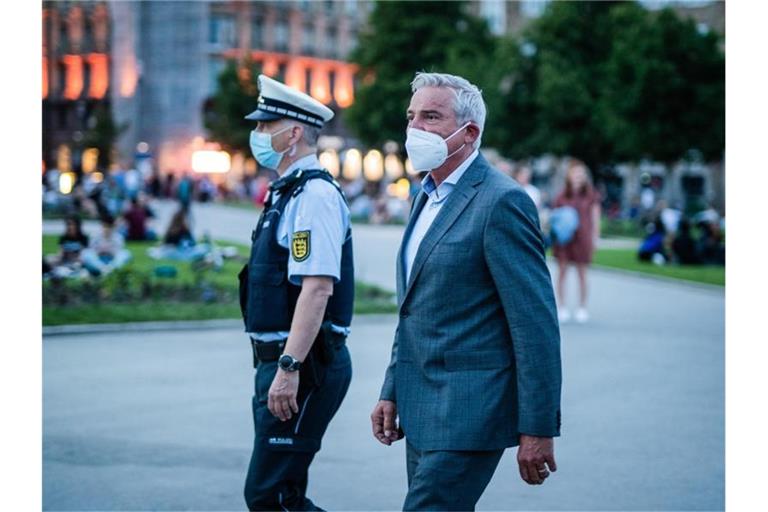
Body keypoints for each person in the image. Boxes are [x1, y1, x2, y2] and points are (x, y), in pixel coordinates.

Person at [371, 72, 561, 511]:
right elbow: (414, 308)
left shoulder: (501, 202)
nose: (414, 128)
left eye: (431, 116)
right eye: (411, 115)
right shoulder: (426, 195)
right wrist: (391, 389)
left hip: (470, 411)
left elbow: (535, 326)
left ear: (469, 132)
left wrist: (537, 427)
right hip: (420, 409)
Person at [240, 74, 354, 511]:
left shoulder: (314, 196)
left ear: (294, 134)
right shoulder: (286, 193)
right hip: (283, 364)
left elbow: (318, 288)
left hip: (304, 365)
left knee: (269, 497)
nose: (258, 135)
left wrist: (289, 367)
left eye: (266, 126)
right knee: (283, 493)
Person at [552, 159, 602, 323]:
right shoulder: (561, 195)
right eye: (576, 173)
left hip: (583, 238)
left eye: (582, 174)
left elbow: (595, 218)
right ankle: (562, 307)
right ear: (569, 176)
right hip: (564, 239)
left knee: (582, 273)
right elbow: (555, 218)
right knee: (562, 272)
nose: (578, 177)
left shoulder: (591, 195)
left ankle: (582, 307)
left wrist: (595, 238)